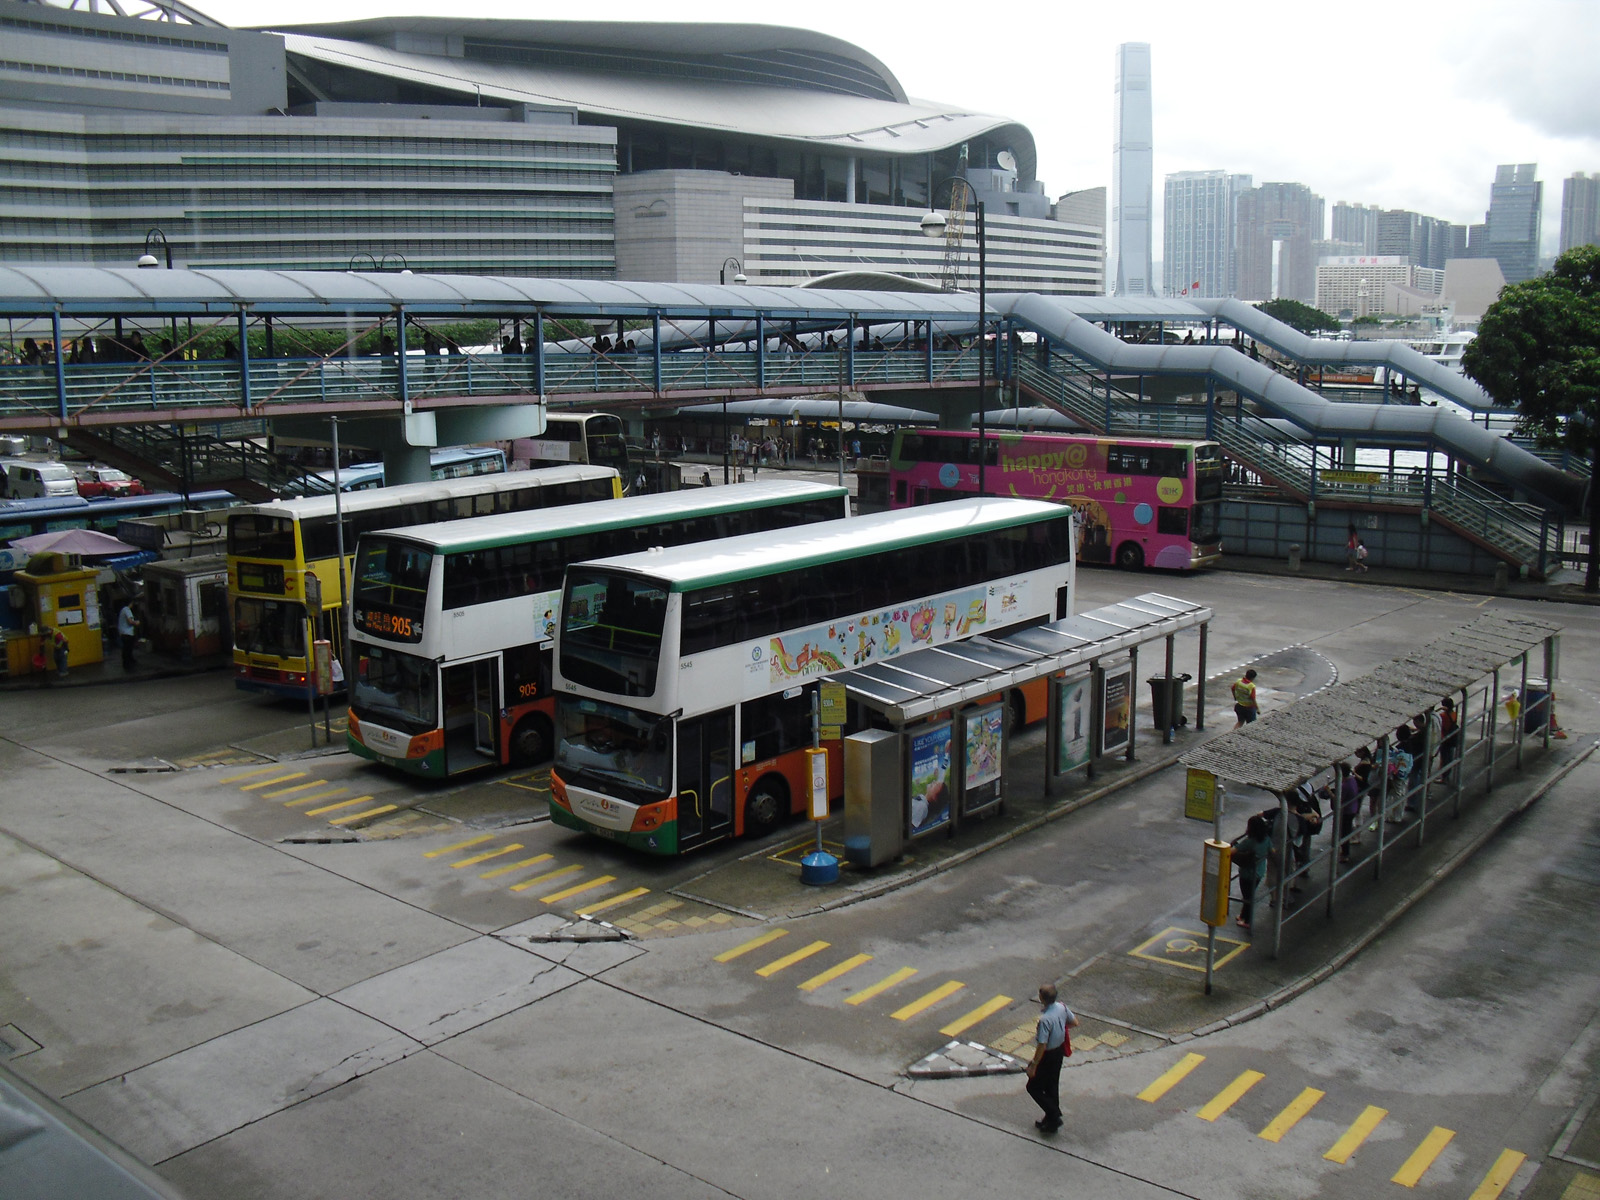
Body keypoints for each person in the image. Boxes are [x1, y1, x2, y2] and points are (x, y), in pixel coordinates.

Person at [1025, 983, 1076, 1133]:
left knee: (1033, 1087)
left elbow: (1042, 1044)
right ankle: (1050, 1120)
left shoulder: (1045, 1020)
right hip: (1059, 1052)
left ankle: (1054, 1115)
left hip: (1047, 1056)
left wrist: (1034, 1065)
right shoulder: (1062, 1007)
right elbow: (1074, 1022)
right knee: (1051, 1086)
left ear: (1041, 998)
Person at [1231, 814, 1271, 930]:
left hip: (1247, 873)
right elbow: (1272, 850)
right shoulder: (1267, 839)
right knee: (1249, 894)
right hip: (1259, 872)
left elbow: (1232, 851)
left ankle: (1247, 921)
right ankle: (1242, 916)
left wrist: (1235, 845)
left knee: (1247, 896)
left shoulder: (1249, 842)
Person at [117, 598, 139, 670]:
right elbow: (130, 621)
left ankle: (128, 662)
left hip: (123, 632)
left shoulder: (122, 610)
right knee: (128, 649)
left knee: (126, 649)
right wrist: (136, 622)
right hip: (127, 633)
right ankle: (127, 664)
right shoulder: (127, 610)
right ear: (131, 603)